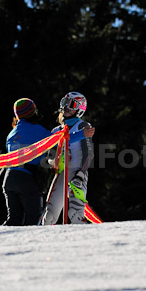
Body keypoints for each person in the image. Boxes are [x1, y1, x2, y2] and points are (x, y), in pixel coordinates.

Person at [2, 98, 94, 226]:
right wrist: (82, 134)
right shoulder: (39, 130)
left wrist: (56, 161)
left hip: (9, 178)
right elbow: (59, 139)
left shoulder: (12, 133)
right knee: (35, 220)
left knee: (14, 219)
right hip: (28, 178)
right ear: (32, 113)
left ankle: (0, 242)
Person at [41, 92, 95, 225]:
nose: (65, 107)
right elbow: (50, 155)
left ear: (79, 109)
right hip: (62, 173)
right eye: (64, 103)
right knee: (49, 217)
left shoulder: (83, 126)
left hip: (78, 172)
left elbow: (88, 153)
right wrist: (53, 161)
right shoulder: (56, 131)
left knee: (75, 213)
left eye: (70, 105)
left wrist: (81, 175)